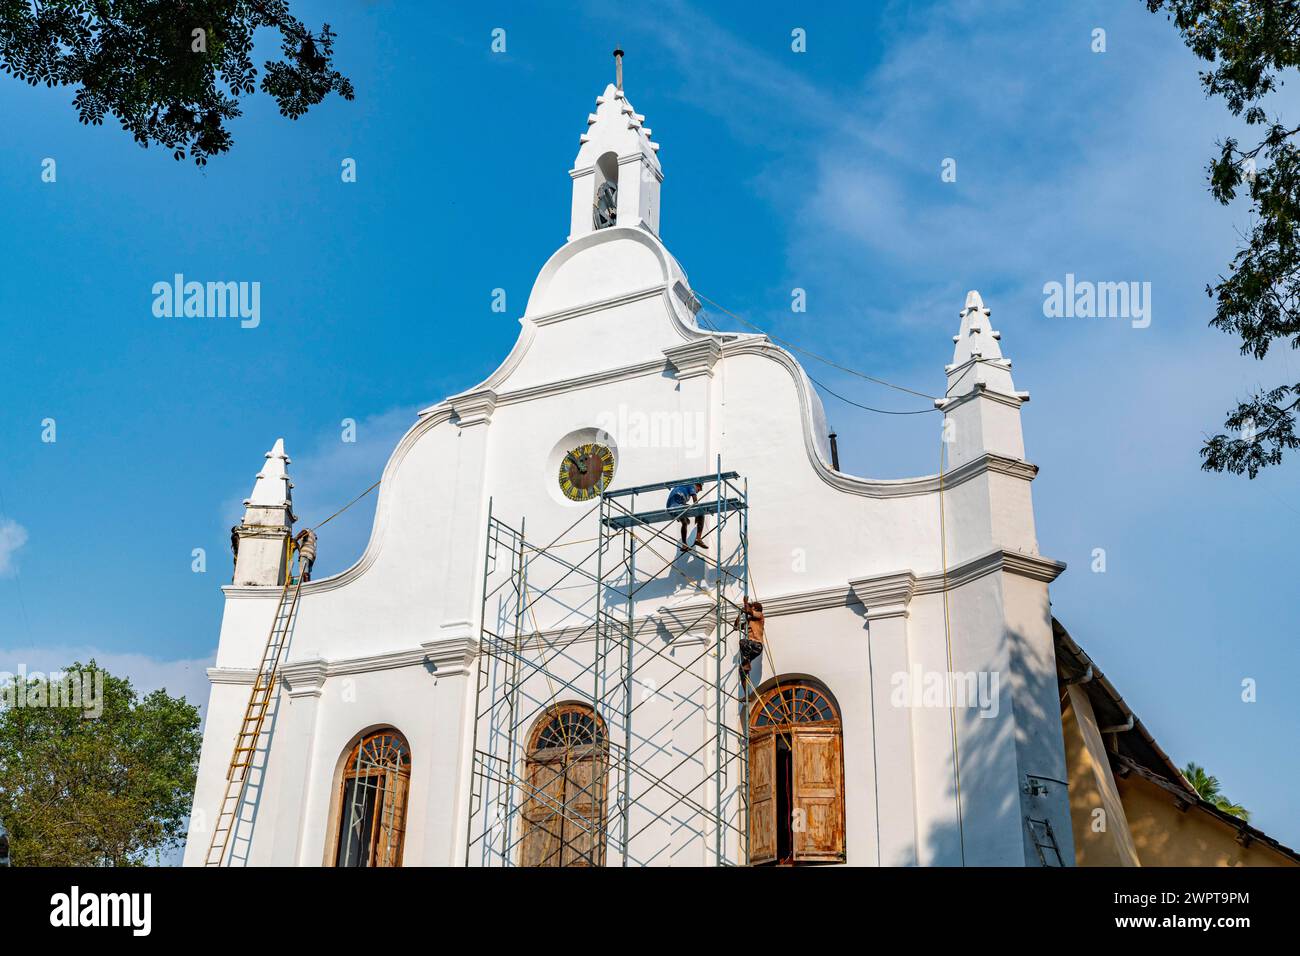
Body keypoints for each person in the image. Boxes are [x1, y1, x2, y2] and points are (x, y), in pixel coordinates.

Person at [665, 481, 708, 551]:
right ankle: (698, 538)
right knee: (701, 512)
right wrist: (697, 512)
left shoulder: (683, 488)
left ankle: (684, 545)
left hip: (671, 507)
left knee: (684, 522)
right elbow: (695, 501)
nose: (697, 492)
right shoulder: (691, 485)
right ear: (697, 485)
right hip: (677, 506)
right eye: (699, 490)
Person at [735, 598, 765, 679]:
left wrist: (745, 603)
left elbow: (749, 611)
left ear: (755, 609)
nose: (750, 608)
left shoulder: (759, 615)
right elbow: (736, 627)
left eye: (752, 607)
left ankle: (747, 664)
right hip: (750, 647)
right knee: (742, 669)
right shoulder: (748, 621)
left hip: (756, 645)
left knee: (743, 642)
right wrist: (739, 614)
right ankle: (746, 691)